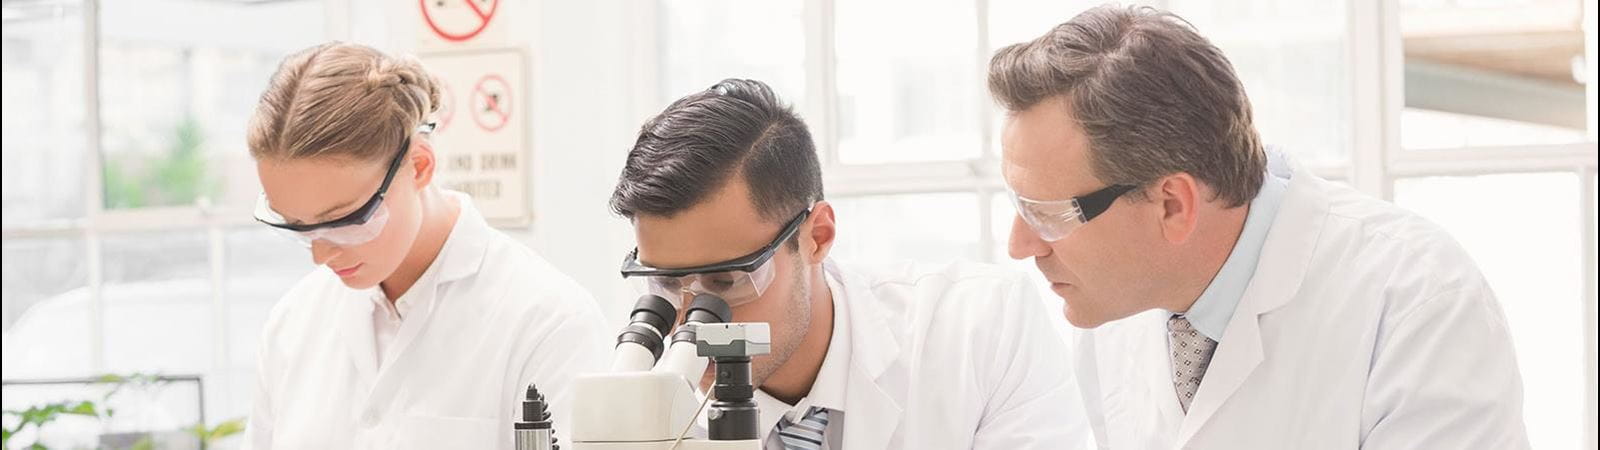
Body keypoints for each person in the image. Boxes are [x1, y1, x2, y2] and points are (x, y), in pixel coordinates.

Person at [988, 5, 1529, 449]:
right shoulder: (1111, 306)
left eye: (1049, 214)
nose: (1020, 245)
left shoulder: (1418, 300)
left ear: (1173, 205)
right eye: (1018, 204)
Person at [609, 78, 1089, 449]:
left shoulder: (982, 332)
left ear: (818, 237)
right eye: (665, 286)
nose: (689, 327)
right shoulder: (636, 401)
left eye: (725, 281)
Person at [241, 42, 608, 449]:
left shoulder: (547, 322)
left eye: (345, 220)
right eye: (297, 227)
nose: (320, 254)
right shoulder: (292, 325)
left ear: (419, 166)